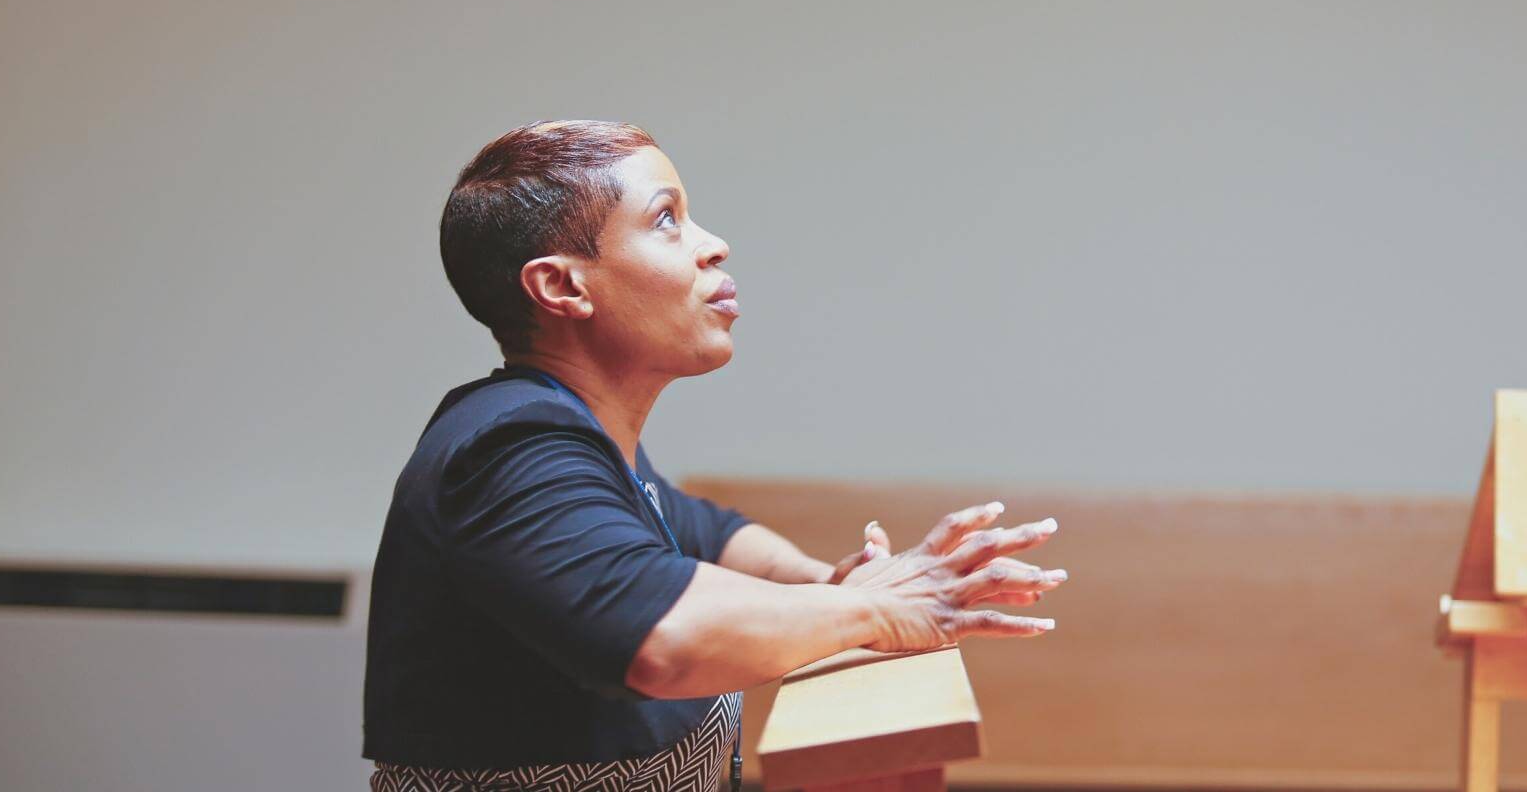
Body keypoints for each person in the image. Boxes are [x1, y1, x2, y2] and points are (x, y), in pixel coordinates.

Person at [362, 120, 1066, 791]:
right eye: (666, 219)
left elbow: (709, 535)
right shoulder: (511, 446)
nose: (715, 245)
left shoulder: (573, 434)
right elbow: (665, 635)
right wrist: (875, 611)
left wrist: (826, 580)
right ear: (564, 287)